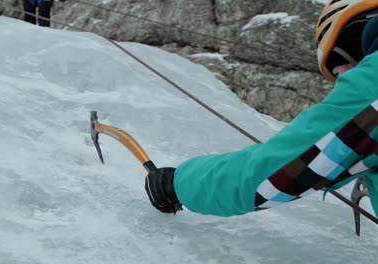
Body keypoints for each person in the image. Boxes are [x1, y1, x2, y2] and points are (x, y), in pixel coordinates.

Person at [145, 0, 378, 219]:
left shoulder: (371, 82)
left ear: (352, 47)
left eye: (337, 73)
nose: (340, 85)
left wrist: (177, 184)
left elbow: (276, 174)